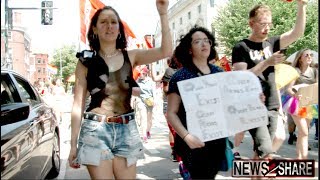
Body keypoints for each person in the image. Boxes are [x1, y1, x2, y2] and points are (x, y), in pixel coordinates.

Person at [68, 0, 172, 179]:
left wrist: (163, 14)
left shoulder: (132, 56)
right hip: (95, 131)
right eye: (103, 22)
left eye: (113, 22)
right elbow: (77, 105)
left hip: (127, 130)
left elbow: (166, 51)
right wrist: (72, 145)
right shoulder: (85, 62)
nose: (109, 26)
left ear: (119, 28)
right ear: (94, 29)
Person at [231, 1, 307, 160]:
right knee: (266, 151)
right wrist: (267, 62)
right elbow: (242, 77)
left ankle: (258, 175)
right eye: (263, 23)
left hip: (272, 104)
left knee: (261, 153)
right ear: (251, 23)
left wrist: (302, 6)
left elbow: (297, 33)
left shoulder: (272, 43)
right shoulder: (241, 47)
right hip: (253, 105)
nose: (268, 28)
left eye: (269, 24)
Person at [166, 26, 227, 179]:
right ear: (189, 49)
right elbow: (171, 113)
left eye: (207, 41)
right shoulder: (180, 76)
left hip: (216, 140)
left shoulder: (219, 73)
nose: (204, 44)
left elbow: (229, 103)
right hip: (192, 141)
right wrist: (187, 137)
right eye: (197, 41)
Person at [284, 48, 318, 159]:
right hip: (296, 102)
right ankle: (304, 160)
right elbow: (288, 89)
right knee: (304, 132)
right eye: (306, 55)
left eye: (311, 55)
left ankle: (299, 159)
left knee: (303, 133)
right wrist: (296, 95)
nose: (309, 57)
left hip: (310, 103)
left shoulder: (315, 71)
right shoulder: (295, 71)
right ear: (300, 59)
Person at [136, 66, 156, 143]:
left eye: (141, 73)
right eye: (139, 74)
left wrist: (155, 101)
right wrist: (136, 99)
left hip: (150, 101)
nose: (140, 75)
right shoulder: (137, 81)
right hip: (141, 101)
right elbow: (136, 92)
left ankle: (148, 130)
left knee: (149, 119)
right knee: (143, 118)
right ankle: (144, 135)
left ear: (145, 73)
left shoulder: (150, 81)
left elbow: (154, 92)